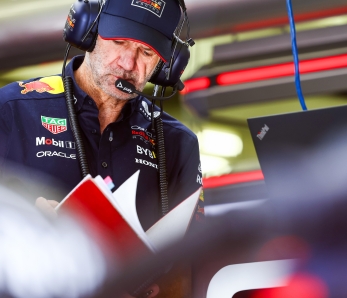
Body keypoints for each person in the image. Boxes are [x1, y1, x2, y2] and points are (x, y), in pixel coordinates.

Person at [0, 0, 203, 296]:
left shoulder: (177, 142)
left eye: (146, 52)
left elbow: (189, 264)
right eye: (119, 41)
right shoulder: (11, 109)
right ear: (88, 31)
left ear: (168, 66)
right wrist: (25, 220)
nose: (128, 64)